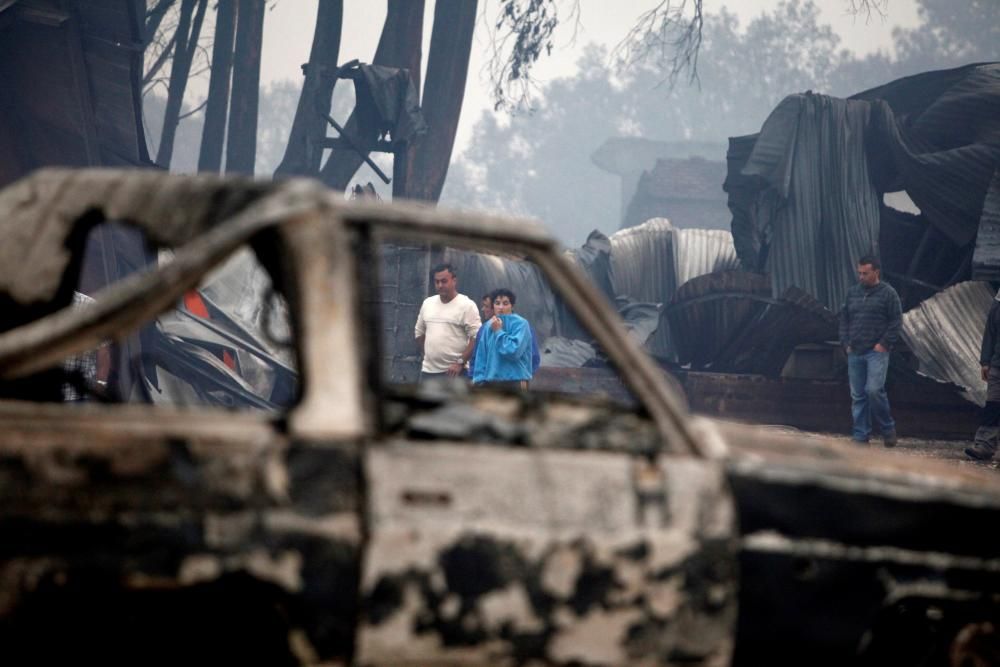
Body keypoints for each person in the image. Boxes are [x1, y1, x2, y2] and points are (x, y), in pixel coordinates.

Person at [839, 255, 902, 447]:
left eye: (865, 273)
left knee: (874, 390)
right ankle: (860, 436)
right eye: (859, 273)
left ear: (876, 272)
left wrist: (884, 344)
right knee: (858, 395)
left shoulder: (888, 293)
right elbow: (844, 318)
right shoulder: (852, 293)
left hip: (877, 351)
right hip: (855, 350)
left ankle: (887, 428)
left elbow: (896, 321)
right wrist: (845, 342)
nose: (861, 277)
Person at [414, 263, 481, 381]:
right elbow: (419, 333)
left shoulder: (467, 305)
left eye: (444, 281)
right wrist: (429, 356)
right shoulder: (427, 303)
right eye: (437, 282)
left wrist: (460, 362)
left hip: (455, 373)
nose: (440, 285)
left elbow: (477, 337)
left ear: (454, 281)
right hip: (429, 372)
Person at [471, 288, 534, 389]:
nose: (501, 307)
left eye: (505, 303)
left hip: (515, 381)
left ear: (512, 306)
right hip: (491, 382)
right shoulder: (488, 326)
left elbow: (514, 352)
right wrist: (478, 381)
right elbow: (481, 357)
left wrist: (498, 331)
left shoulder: (521, 324)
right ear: (493, 306)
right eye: (497, 303)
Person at [966, 289, 1000, 461]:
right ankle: (984, 445)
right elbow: (990, 331)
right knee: (993, 406)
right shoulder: (999, 301)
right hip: (998, 364)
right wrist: (985, 361)